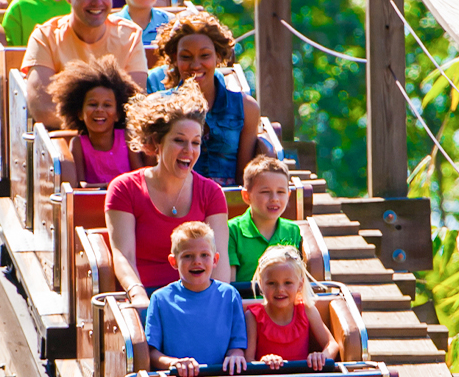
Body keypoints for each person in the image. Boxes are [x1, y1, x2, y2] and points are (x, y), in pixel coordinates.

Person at [105, 83, 232, 307]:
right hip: (145, 300)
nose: (189, 151)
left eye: (195, 143)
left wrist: (214, 303)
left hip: (197, 301)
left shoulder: (211, 193)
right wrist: (138, 295)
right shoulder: (124, 188)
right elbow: (123, 255)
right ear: (157, 143)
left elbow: (219, 260)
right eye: (179, 140)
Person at [22, 0, 148, 129]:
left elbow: (134, 104)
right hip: (64, 142)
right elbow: (43, 110)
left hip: (116, 142)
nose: (97, 2)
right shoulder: (45, 37)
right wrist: (94, 129)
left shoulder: (130, 35)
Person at [146, 10, 260, 186]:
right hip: (177, 204)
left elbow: (244, 178)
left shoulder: (246, 108)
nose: (195, 65)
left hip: (227, 202)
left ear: (218, 57)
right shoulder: (157, 107)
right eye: (186, 57)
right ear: (174, 59)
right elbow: (151, 174)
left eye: (205, 55)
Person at [146, 221, 249, 377]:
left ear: (215, 260)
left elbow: (238, 345)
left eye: (204, 255)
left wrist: (235, 355)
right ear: (173, 262)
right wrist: (174, 363)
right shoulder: (160, 299)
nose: (197, 262)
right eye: (188, 256)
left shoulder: (230, 295)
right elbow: (152, 352)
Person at [48, 57, 146, 185]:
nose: (99, 110)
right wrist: (108, 187)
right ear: (80, 114)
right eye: (93, 104)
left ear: (118, 114)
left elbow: (139, 176)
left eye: (107, 105)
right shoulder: (78, 143)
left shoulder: (127, 138)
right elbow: (81, 184)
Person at [245, 244, 338, 371]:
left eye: (288, 283)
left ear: (300, 284)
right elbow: (248, 359)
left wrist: (321, 357)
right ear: (261, 284)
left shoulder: (306, 310)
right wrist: (264, 362)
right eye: (272, 283)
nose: (280, 290)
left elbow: (332, 344)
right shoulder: (253, 316)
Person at [228, 157, 303, 284]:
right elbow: (229, 284)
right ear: (246, 196)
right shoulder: (232, 230)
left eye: (280, 192)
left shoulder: (292, 230)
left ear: (288, 195)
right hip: (247, 302)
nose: (274, 198)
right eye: (265, 192)